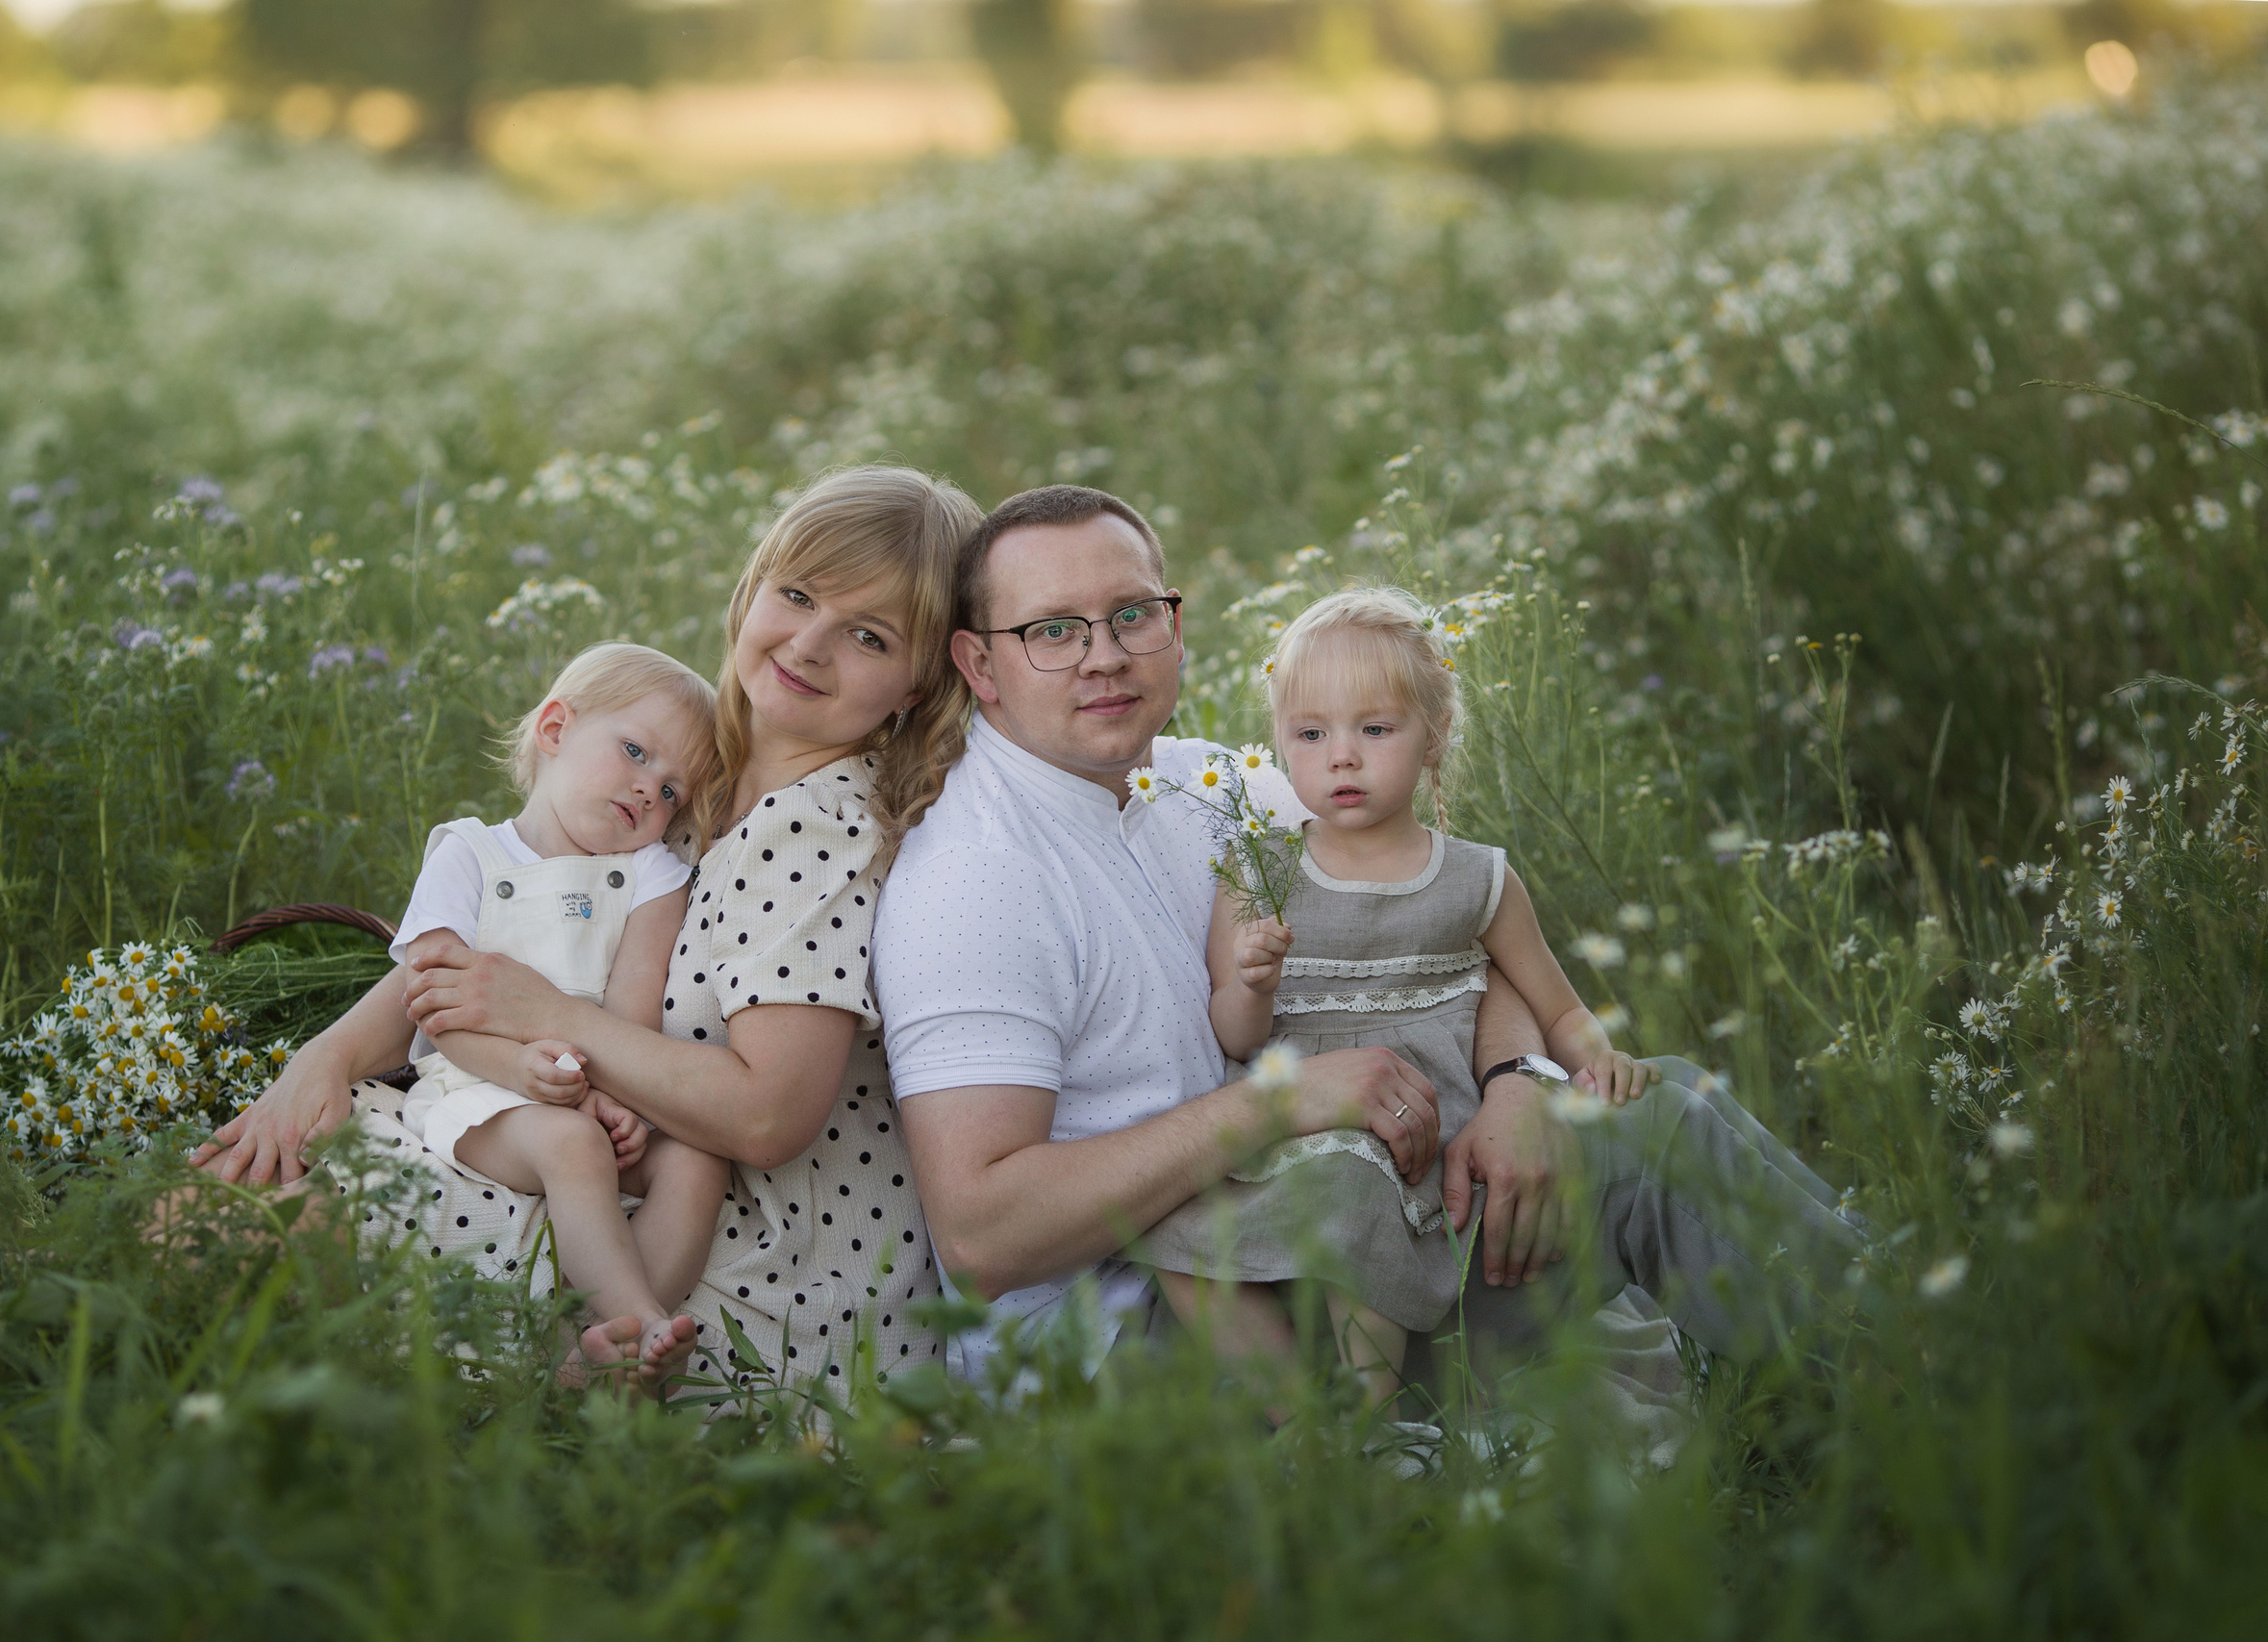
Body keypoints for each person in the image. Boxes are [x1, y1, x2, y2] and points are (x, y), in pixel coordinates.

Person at [877, 484, 1865, 1393]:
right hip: (1159, 1340)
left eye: (1132, 613)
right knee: (1660, 1143)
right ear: (980, 664)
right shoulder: (974, 878)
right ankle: (1915, 1371)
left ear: (1174, 625)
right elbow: (982, 1233)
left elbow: (1436, 910)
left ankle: (1888, 1343)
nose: (1104, 655)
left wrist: (1518, 1080)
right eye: (1052, 630)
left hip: (1317, 1223)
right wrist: (1280, 1102)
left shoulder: (1200, 784)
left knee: (1666, 1099)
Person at [198, 465, 982, 1399]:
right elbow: (493, 940)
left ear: (916, 685)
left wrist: (542, 1018)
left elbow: (768, 1117)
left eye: (867, 635)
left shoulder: (816, 829)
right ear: (753, 588)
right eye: (798, 595)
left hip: (759, 1253)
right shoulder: (697, 782)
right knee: (247, 1171)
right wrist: (322, 1062)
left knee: (257, 1219)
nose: (809, 645)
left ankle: (588, 1368)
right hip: (610, 1152)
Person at [1132, 586, 1654, 1407]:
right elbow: (1234, 1034)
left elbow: (1554, 1005)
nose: (1342, 756)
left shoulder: (1476, 877)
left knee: (1361, 1194)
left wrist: (1597, 1057)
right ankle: (1306, 1425)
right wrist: (1252, 979)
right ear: (1281, 743)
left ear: (1434, 737)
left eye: (1375, 729)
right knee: (1174, 1239)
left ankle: (1370, 1421)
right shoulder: (1257, 871)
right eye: (1311, 734)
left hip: (1414, 1144)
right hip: (1294, 1134)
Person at [378, 641, 723, 1380]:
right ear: (557, 728)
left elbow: (630, 1009)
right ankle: (637, 1324)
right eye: (634, 752)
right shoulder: (469, 853)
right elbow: (438, 1011)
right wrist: (521, 1069)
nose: (648, 791)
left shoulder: (653, 874)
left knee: (696, 1162)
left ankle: (576, 1354)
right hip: (476, 1090)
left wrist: (618, 1097)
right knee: (570, 1143)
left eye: (671, 791)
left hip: (594, 1088)